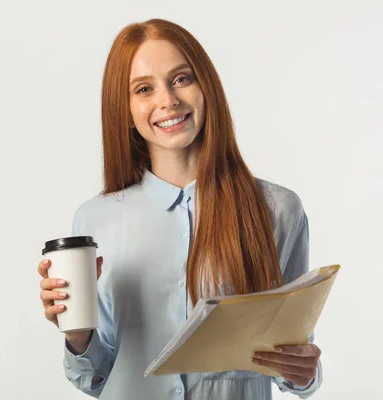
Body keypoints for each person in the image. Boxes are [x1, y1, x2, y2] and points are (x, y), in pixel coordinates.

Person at [37, 18, 323, 400]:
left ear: (206, 87)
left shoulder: (277, 210)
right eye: (143, 89)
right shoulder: (96, 219)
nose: (167, 100)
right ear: (125, 109)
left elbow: (294, 362)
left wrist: (304, 371)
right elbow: (94, 378)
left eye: (181, 79)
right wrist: (76, 334)